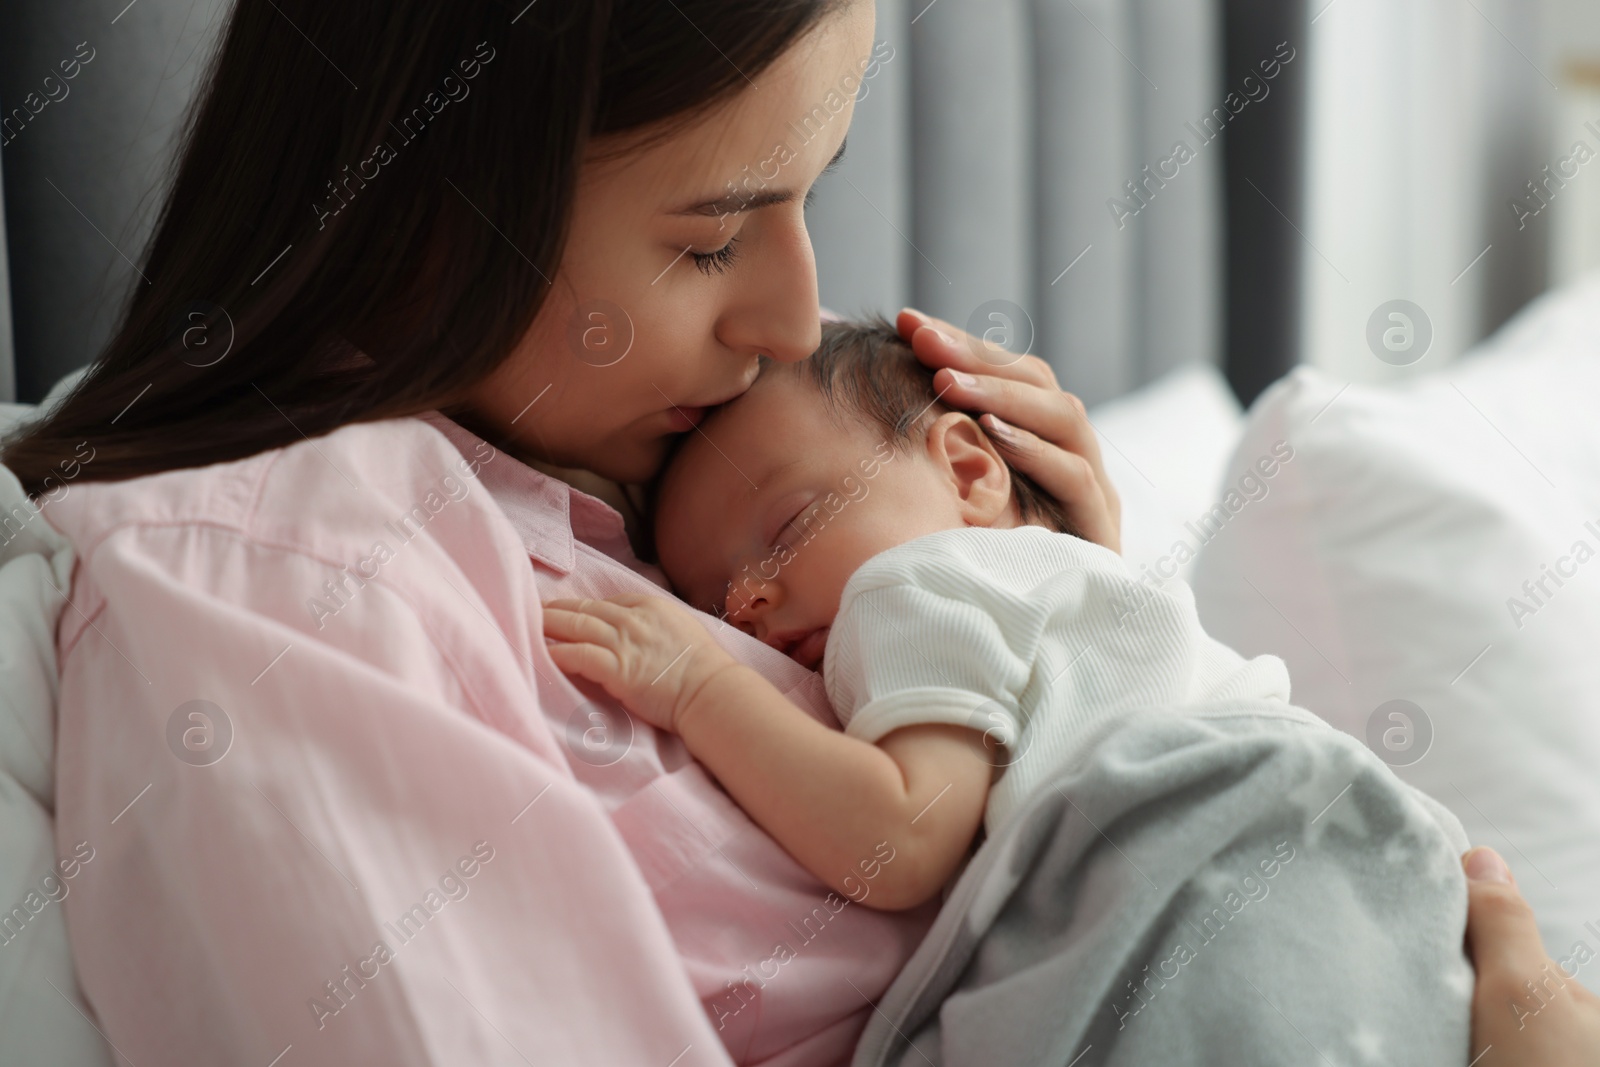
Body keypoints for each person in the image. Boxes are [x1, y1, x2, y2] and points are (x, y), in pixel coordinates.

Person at [0, 1, 1591, 1064]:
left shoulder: (636, 499)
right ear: (424, 215)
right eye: (709, 240)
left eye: (807, 198)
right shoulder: (295, 577)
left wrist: (1067, 625)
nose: (787, 317)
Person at [541, 317, 1477, 1062]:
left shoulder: (919, 581)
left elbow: (900, 838)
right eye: (717, 605)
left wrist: (699, 681)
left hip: (1234, 857)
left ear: (970, 469)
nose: (750, 597)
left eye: (787, 523)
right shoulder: (1071, 593)